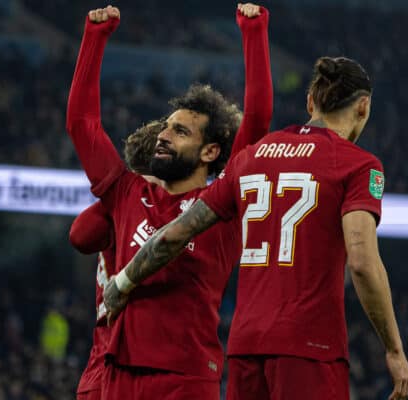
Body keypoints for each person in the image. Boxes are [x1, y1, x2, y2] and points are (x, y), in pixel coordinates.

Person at [104, 57, 408, 400]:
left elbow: (175, 233)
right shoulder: (360, 165)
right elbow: (362, 263)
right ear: (364, 106)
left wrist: (122, 282)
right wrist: (394, 349)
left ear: (310, 101)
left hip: (244, 348)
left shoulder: (252, 156)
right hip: (309, 347)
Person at [66, 3, 272, 399]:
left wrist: (253, 31)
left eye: (180, 132)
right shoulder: (128, 192)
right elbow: (82, 125)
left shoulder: (221, 203)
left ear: (211, 151)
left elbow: (258, 119)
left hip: (186, 378)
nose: (163, 135)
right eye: (165, 127)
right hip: (116, 373)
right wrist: (95, 38)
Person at [69, 121, 162, 400]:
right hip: (124, 368)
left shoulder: (124, 208)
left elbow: (80, 235)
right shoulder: (137, 206)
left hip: (107, 367)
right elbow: (80, 235)